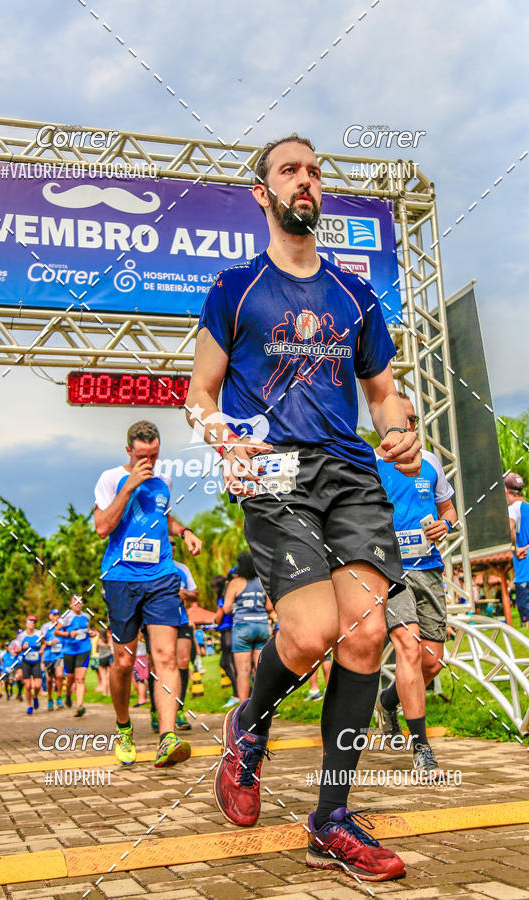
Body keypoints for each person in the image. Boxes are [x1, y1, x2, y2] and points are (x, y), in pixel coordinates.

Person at [186, 134, 421, 882]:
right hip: (273, 472)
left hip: (349, 472)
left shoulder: (355, 294)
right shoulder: (235, 288)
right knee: (314, 631)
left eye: (315, 171)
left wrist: (399, 432)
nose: (306, 180)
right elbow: (199, 395)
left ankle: (331, 820)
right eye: (290, 170)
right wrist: (225, 441)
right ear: (263, 193)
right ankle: (247, 728)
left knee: (366, 635)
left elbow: (383, 394)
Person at [94, 419, 202, 768]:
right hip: (121, 578)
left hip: (161, 576)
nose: (149, 462)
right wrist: (128, 488)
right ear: (129, 450)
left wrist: (184, 531)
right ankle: (123, 727)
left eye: (154, 455)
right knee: (124, 661)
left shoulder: (164, 481)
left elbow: (162, 516)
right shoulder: (111, 479)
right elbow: (102, 527)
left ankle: (167, 737)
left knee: (165, 657)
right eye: (142, 456)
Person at [375, 392, 458, 774]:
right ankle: (422, 748)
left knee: (432, 662)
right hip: (391, 571)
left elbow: (448, 508)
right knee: (408, 647)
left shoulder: (430, 462)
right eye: (401, 420)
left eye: (412, 420)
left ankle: (387, 701)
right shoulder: (370, 464)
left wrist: (447, 524)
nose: (407, 426)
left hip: (429, 567)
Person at [222, 551, 273, 702]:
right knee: (261, 670)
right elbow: (269, 606)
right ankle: (264, 706)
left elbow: (226, 608)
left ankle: (244, 706)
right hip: (262, 626)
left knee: (243, 671)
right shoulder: (262, 581)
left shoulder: (235, 583)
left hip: (242, 627)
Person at [172, 539, 199, 731]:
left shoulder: (182, 568)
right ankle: (156, 710)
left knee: (183, 662)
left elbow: (195, 594)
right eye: (168, 542)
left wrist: (185, 594)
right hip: (156, 622)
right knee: (159, 666)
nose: (171, 546)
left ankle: (179, 710)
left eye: (174, 543)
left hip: (180, 621)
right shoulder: (150, 566)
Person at [55, 595, 91, 717]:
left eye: (80, 602)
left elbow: (87, 630)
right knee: (70, 678)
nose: (78, 604)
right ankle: (68, 694)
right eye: (75, 602)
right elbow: (56, 632)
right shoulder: (66, 617)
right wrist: (70, 634)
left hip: (84, 649)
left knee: (80, 679)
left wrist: (91, 632)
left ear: (83, 604)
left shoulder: (86, 616)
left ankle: (80, 706)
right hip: (69, 651)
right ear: (71, 604)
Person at [506, 472, 529, 628]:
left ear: (506, 490)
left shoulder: (513, 509)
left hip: (524, 570)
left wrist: (514, 549)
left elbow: (510, 527)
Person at [213, 574, 239, 707]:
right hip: (234, 631)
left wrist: (215, 620)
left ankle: (237, 694)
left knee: (227, 664)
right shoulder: (232, 596)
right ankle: (240, 691)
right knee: (228, 663)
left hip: (226, 632)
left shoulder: (221, 599)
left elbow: (219, 618)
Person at [18, 616, 43, 715]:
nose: (32, 623)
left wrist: (41, 650)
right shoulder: (21, 636)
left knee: (37, 685)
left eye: (34, 622)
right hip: (26, 662)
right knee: (28, 686)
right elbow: (16, 650)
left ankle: (35, 696)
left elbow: (44, 643)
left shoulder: (39, 633)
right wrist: (22, 648)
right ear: (26, 623)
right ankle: (29, 706)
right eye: (30, 621)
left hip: (36, 661)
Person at [40, 609, 64, 710]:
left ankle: (59, 697)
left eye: (58, 615)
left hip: (59, 655)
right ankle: (50, 699)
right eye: (54, 615)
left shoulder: (62, 626)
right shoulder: (45, 627)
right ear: (50, 616)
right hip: (48, 656)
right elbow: (41, 641)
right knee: (49, 679)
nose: (56, 617)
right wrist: (50, 643)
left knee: (59, 676)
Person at [96, 627, 114, 696]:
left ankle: (104, 692)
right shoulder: (109, 640)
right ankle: (109, 692)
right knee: (108, 676)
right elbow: (111, 648)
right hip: (109, 658)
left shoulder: (99, 641)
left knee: (103, 676)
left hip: (102, 659)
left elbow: (97, 650)